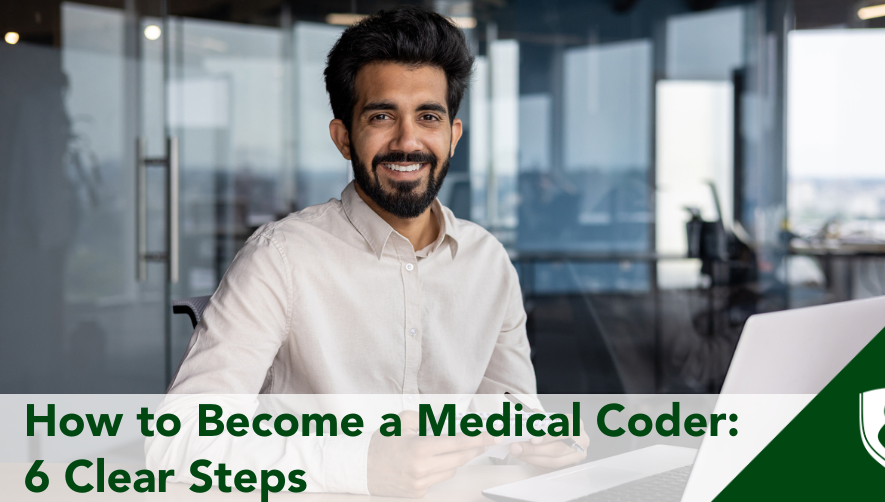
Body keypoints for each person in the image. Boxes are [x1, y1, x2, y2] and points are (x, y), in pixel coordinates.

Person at [149, 6, 588, 497]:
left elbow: (508, 410)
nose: (407, 141)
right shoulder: (281, 258)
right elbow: (178, 442)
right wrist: (361, 464)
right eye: (382, 116)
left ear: (452, 136)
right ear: (343, 137)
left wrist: (543, 436)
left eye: (428, 116)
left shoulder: (487, 262)